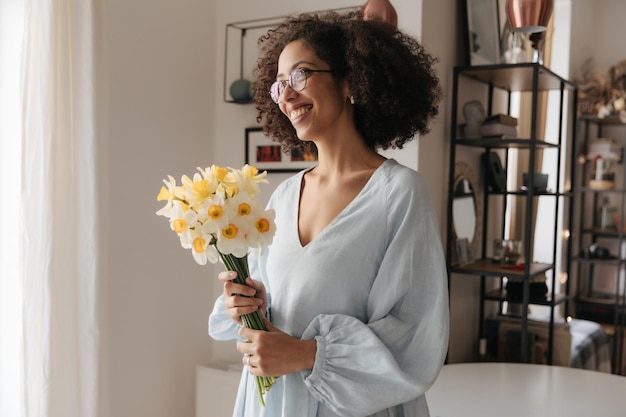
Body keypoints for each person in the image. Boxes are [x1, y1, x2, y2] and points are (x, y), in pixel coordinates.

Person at [209, 10, 449, 417]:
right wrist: (250, 305)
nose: (286, 95)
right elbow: (278, 299)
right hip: (276, 403)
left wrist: (306, 354)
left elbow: (416, 333)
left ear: (351, 79)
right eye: (279, 84)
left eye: (300, 75)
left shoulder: (399, 194)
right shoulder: (284, 197)